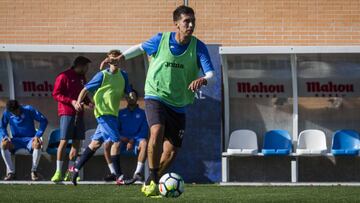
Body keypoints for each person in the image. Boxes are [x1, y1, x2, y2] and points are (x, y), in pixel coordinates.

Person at [111, 5, 215, 197]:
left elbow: (211, 74)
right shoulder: (161, 39)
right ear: (176, 24)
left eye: (193, 21)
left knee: (172, 151)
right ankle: (151, 176)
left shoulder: (198, 46)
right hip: (155, 94)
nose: (191, 24)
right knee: (156, 130)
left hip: (179, 103)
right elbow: (141, 48)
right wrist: (121, 57)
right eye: (186, 21)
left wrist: (204, 79)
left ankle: (153, 178)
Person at [71, 49, 133, 186]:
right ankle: (120, 176)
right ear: (109, 59)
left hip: (113, 114)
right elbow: (85, 89)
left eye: (118, 57)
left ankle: (75, 168)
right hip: (103, 113)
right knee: (116, 142)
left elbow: (128, 91)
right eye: (112, 57)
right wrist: (78, 102)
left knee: (95, 144)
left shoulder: (123, 75)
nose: (115, 59)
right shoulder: (102, 75)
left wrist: (131, 95)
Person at [51, 56, 92, 182]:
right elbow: (56, 94)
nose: (87, 69)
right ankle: (58, 172)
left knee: (76, 143)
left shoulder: (82, 78)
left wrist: (88, 103)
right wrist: (72, 101)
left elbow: (83, 94)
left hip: (79, 114)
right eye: (86, 67)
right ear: (79, 65)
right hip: (67, 113)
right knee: (64, 141)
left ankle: (70, 171)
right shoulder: (63, 76)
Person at [103, 89, 148, 184]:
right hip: (123, 140)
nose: (130, 98)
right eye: (128, 96)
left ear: (137, 98)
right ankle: (115, 173)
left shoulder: (143, 113)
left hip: (136, 140)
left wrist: (132, 140)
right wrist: (123, 138)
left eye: (133, 96)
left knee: (144, 143)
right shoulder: (120, 113)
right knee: (111, 145)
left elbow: (144, 131)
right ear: (126, 98)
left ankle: (137, 172)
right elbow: (115, 130)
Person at [0, 100, 48, 181]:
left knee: (37, 144)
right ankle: (10, 172)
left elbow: (44, 121)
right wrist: (5, 136)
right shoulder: (7, 112)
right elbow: (2, 126)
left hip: (30, 139)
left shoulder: (29, 109)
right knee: (4, 144)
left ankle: (34, 171)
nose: (15, 114)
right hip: (16, 141)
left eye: (16, 111)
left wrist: (37, 135)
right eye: (13, 112)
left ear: (19, 106)